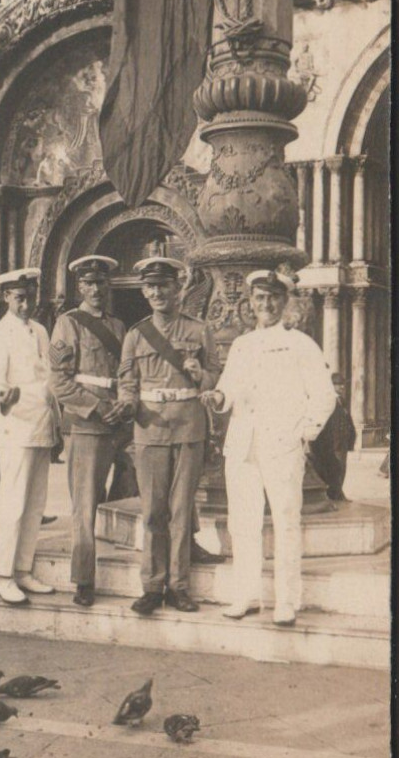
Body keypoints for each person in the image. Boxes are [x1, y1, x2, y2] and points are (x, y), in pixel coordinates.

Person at [201, 270, 336, 627]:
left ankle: (287, 600)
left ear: (285, 301)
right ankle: (245, 594)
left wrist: (303, 434)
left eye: (273, 297)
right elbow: (228, 388)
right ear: (251, 303)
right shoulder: (243, 344)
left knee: (286, 522)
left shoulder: (301, 345)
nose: (266, 304)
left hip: (283, 445)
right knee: (242, 523)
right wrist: (218, 397)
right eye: (260, 298)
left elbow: (325, 396)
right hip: (244, 445)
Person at [118, 258, 221, 615]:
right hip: (150, 428)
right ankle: (151, 586)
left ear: (178, 288)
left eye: (164, 285)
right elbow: (127, 381)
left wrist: (200, 377)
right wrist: (127, 402)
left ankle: (178, 587)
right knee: (152, 512)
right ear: (144, 292)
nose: (157, 292)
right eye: (151, 287)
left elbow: (215, 374)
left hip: (189, 426)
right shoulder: (136, 334)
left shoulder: (199, 330)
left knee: (180, 511)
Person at [49, 255, 130, 608]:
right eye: (89, 283)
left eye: (101, 283)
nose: (96, 289)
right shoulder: (69, 324)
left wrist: (124, 405)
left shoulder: (119, 327)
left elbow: (127, 374)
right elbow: (60, 384)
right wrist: (97, 407)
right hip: (87, 425)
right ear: (79, 287)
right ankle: (84, 578)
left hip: (121, 422)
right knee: (85, 505)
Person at [0, 268, 58, 605]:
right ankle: (3, 574)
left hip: (41, 425)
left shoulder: (40, 331)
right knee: (12, 503)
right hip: (15, 427)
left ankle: (23, 569)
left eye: (30, 297)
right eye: (19, 298)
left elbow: (49, 378)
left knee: (35, 503)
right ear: (6, 298)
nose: (26, 305)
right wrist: (1, 397)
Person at [309, 372, 356, 502]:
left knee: (342, 468)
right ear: (331, 386)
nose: (342, 387)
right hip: (334, 444)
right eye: (338, 384)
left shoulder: (341, 401)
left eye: (342, 384)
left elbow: (347, 421)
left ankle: (339, 493)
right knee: (335, 469)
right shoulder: (328, 401)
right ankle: (334, 495)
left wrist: (351, 439)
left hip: (342, 443)